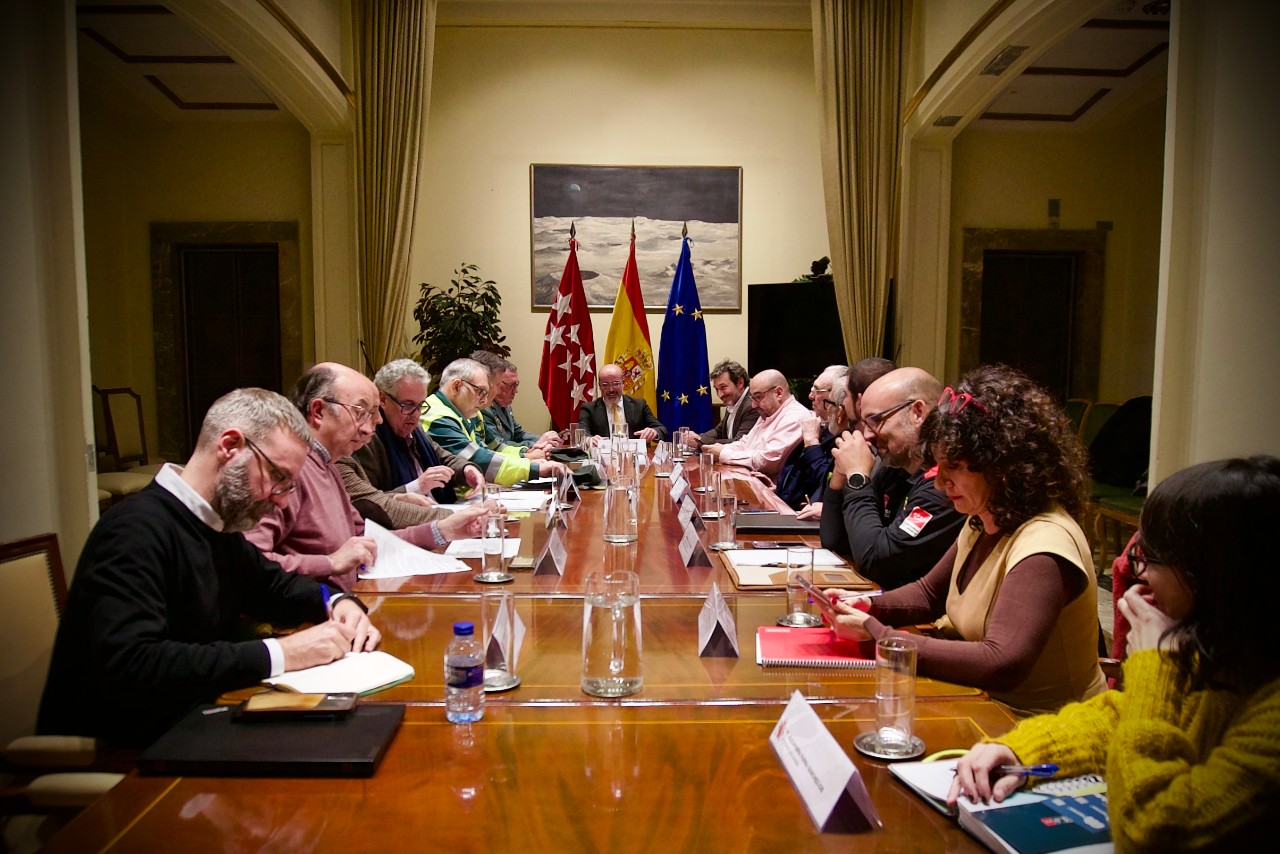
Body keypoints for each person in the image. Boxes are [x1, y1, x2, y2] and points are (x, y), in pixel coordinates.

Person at [950, 456, 1280, 849]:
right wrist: (1019, 750)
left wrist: (1155, 667)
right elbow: (1118, 716)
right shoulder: (1217, 652)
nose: (1141, 576)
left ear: (1211, 575)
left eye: (1151, 559)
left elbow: (1152, 830)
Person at [37, 389, 381, 748]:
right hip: (127, 746)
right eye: (277, 477)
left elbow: (274, 587)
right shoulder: (133, 531)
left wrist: (336, 601)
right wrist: (283, 654)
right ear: (230, 446)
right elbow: (133, 666)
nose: (281, 500)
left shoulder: (214, 525)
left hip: (196, 719)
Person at [825, 365, 1106, 713]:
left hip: (1037, 724)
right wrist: (868, 604)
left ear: (1001, 464)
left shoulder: (1044, 543)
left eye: (953, 467)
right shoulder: (983, 517)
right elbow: (928, 594)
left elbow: (1001, 662)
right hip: (980, 703)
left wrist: (880, 635)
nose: (939, 483)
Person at [246, 362, 487, 590]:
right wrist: (330, 564)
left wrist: (443, 530)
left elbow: (368, 538)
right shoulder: (284, 470)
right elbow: (250, 563)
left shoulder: (328, 464)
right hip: (317, 610)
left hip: (349, 599)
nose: (376, 421)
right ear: (318, 411)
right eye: (362, 411)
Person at [818, 366, 963, 588]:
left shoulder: (945, 486)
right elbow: (834, 542)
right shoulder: (894, 471)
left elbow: (875, 561)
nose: (867, 434)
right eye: (865, 423)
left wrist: (857, 477)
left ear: (917, 412)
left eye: (875, 420)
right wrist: (840, 476)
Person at [336, 359, 484, 529]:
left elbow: (441, 456)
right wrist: (417, 487)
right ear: (383, 399)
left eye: (420, 405)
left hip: (432, 521)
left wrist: (466, 469)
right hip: (410, 527)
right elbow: (372, 505)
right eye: (408, 405)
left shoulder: (413, 428)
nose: (416, 414)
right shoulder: (360, 442)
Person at [422, 357, 568, 486]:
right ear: (456, 386)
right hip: (454, 499)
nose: (485, 400)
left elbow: (492, 448)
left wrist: (526, 454)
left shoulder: (462, 411)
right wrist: (532, 467)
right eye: (480, 391)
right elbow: (479, 460)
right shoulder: (438, 418)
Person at [799, 356, 895, 521]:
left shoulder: (882, 452)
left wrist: (837, 509)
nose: (869, 435)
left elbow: (876, 530)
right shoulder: (845, 438)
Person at [702, 369, 808, 479]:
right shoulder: (768, 413)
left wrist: (723, 454)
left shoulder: (795, 417)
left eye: (758, 397)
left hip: (771, 488)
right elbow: (745, 443)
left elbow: (768, 461)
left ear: (778, 393)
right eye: (752, 398)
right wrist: (718, 449)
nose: (753, 405)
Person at [772, 377, 849, 510]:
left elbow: (827, 483)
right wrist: (779, 488)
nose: (810, 396)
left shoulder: (847, 438)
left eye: (818, 390)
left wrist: (812, 443)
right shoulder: (821, 425)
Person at [471, 351, 561, 454]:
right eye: (511, 385)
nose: (516, 390)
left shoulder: (504, 405)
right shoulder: (482, 409)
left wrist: (545, 441)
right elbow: (493, 448)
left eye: (516, 384)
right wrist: (533, 447)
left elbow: (516, 435)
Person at [578, 363, 667, 441]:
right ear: (599, 386)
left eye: (615, 383)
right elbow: (582, 434)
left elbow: (662, 430)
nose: (611, 389)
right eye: (605, 385)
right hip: (602, 454)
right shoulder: (589, 409)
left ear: (623, 383)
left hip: (634, 454)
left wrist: (654, 432)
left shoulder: (639, 405)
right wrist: (588, 439)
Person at [682, 359, 759, 449]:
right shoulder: (734, 401)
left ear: (740, 383)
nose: (719, 395)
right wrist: (696, 438)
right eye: (716, 389)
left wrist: (701, 441)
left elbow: (739, 443)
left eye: (723, 387)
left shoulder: (753, 405)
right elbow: (718, 431)